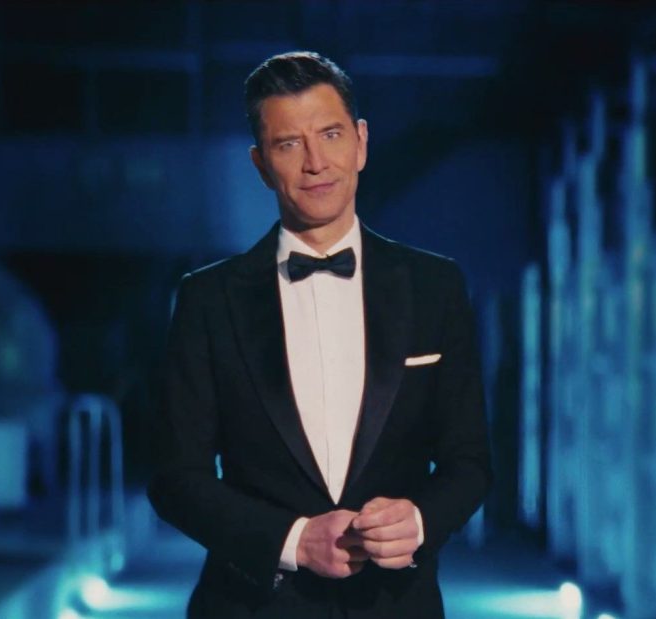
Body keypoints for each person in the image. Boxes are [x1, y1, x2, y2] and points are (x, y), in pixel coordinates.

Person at [148, 50, 492, 618]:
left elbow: (470, 461)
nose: (315, 163)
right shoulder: (207, 299)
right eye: (289, 144)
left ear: (361, 142)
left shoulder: (436, 286)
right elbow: (174, 478)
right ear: (261, 165)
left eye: (330, 135)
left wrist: (420, 520)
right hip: (252, 607)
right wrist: (292, 541)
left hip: (394, 605)